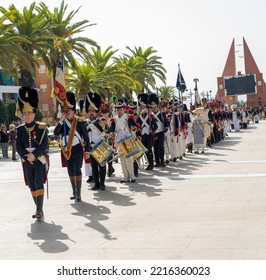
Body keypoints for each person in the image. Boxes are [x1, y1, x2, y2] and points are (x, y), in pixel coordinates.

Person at [16, 86, 49, 221]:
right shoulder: (20, 129)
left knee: (38, 181)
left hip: (39, 159)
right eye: (25, 113)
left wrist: (34, 155)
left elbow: (44, 145)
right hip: (27, 161)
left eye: (29, 112)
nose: (27, 115)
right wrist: (26, 156)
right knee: (31, 184)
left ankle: (39, 210)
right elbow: (18, 146)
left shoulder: (41, 128)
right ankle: (38, 207)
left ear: (34, 114)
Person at [54, 91, 90, 202]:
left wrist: (87, 151)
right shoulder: (63, 122)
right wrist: (60, 122)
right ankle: (74, 192)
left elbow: (86, 137)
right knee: (70, 170)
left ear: (74, 110)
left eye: (69, 110)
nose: (67, 112)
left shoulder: (79, 121)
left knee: (77, 169)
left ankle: (79, 193)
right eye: (66, 110)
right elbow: (56, 133)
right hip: (66, 150)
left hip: (77, 149)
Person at [109, 97, 137, 183]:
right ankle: (125, 177)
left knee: (129, 159)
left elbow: (135, 127)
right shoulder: (114, 119)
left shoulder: (128, 117)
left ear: (123, 109)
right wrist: (112, 134)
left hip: (127, 139)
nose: (119, 111)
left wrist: (133, 128)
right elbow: (112, 130)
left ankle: (132, 176)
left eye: (120, 109)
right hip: (119, 141)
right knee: (122, 159)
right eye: (117, 110)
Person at [86, 92, 109, 191]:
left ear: (96, 112)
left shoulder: (101, 120)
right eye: (90, 111)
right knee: (94, 167)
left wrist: (104, 125)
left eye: (93, 111)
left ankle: (102, 184)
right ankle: (96, 183)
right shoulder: (84, 123)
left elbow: (108, 129)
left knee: (102, 166)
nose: (91, 113)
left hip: (100, 146)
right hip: (91, 147)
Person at [135, 93, 156, 170]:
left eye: (143, 105)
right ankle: (137, 165)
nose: (142, 107)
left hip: (149, 135)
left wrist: (152, 131)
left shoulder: (150, 116)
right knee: (140, 150)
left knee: (149, 149)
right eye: (141, 106)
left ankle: (150, 164)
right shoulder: (138, 116)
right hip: (141, 136)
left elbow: (155, 126)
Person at [150, 93, 169, 167]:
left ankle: (162, 161)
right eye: (152, 107)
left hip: (161, 132)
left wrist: (166, 128)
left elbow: (166, 122)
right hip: (154, 133)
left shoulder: (162, 114)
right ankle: (157, 161)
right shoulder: (150, 115)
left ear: (157, 107)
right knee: (155, 148)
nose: (154, 108)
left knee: (161, 147)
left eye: (155, 107)